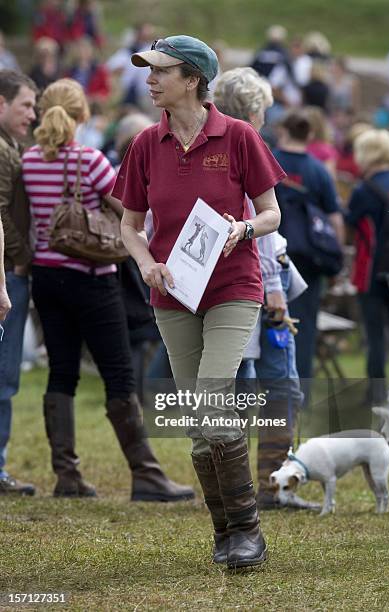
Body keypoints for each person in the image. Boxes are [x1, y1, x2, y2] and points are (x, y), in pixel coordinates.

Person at [114, 35, 285, 569]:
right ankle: (225, 531)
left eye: (160, 71)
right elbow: (128, 224)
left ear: (192, 79)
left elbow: (272, 213)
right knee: (199, 422)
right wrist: (145, 264)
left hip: (234, 285)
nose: (149, 79)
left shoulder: (237, 136)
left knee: (212, 399)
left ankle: (248, 533)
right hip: (171, 294)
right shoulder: (144, 142)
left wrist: (244, 227)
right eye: (148, 70)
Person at [22, 78, 194, 503]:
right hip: (92, 278)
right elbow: (130, 211)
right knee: (117, 373)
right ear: (83, 116)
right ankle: (146, 475)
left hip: (45, 279)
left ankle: (67, 475)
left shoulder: (28, 160)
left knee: (62, 372)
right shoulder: (90, 160)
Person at [214, 67, 319, 512]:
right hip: (257, 285)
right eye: (265, 108)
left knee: (243, 389)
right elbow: (262, 227)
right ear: (254, 110)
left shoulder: (217, 146)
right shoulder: (247, 144)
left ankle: (242, 488)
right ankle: (269, 487)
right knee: (279, 387)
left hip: (233, 285)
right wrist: (275, 287)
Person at [273, 110, 344, 385]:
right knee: (304, 325)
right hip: (310, 258)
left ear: (283, 132)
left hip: (270, 252)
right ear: (310, 135)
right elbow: (335, 218)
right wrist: (335, 256)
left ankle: (264, 387)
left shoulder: (270, 161)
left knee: (266, 320)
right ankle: (299, 390)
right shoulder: (318, 171)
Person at [0, 70, 37, 495]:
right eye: (25, 105)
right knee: (4, 376)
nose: (33, 113)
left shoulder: (11, 145)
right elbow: (0, 215)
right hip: (7, 273)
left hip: (10, 270)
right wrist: (24, 260)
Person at [346, 129, 389, 405]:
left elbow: (351, 228)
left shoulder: (364, 190)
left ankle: (376, 396)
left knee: (375, 335)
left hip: (372, 273)